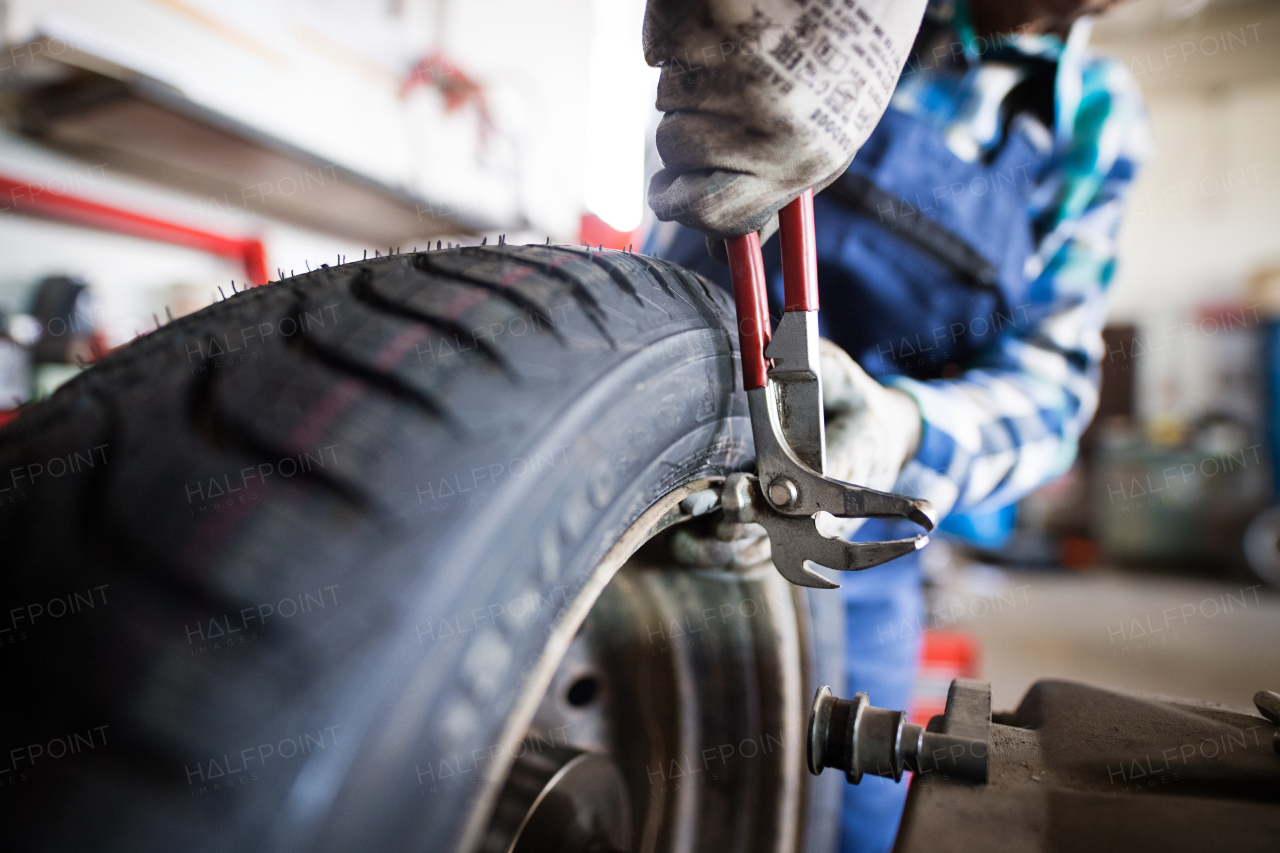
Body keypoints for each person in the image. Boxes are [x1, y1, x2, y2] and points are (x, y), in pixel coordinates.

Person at [642, 0, 1149, 850]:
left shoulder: (1093, 118)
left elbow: (1055, 387)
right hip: (641, 449)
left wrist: (902, 428)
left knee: (849, 819)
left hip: (852, 538)